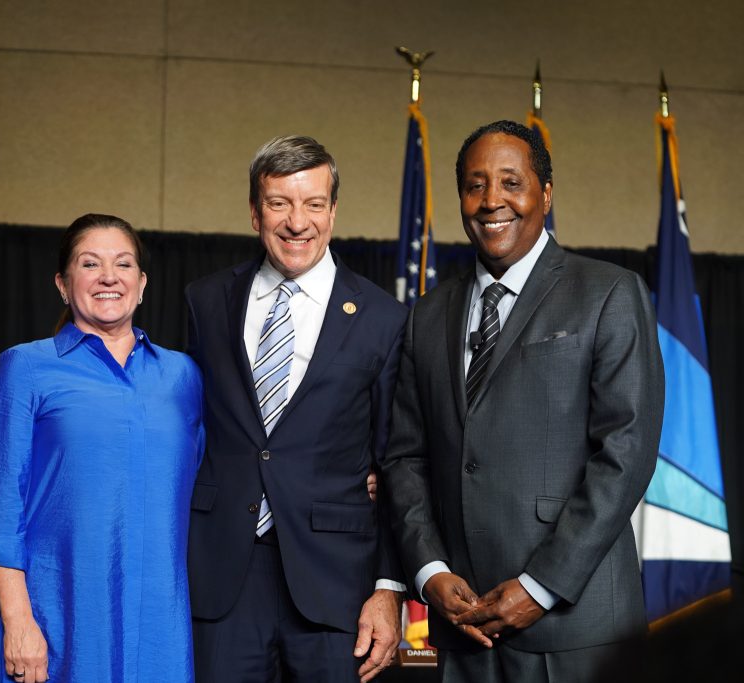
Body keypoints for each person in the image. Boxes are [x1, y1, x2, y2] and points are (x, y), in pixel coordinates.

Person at [382, 120, 665, 682]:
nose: (492, 200)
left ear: (546, 194)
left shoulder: (609, 292)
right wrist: (430, 571)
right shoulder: (426, 315)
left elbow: (626, 452)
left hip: (576, 628)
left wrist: (541, 586)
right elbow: (406, 458)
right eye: (475, 185)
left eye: (511, 182)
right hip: (462, 631)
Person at [185, 135, 407, 682]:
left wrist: (388, 587)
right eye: (279, 203)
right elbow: (185, 429)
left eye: (313, 204)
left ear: (333, 211)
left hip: (337, 582)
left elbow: (399, 462)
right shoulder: (204, 301)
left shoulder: (384, 318)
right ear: (254, 211)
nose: (297, 222)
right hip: (223, 573)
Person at [0, 213, 204, 683]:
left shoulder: (183, 376)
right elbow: (0, 513)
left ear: (142, 284)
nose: (108, 277)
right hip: (57, 618)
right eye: (90, 263)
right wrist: (18, 622)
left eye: (123, 264)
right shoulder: (26, 367)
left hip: (159, 622)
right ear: (62, 284)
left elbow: (207, 482)